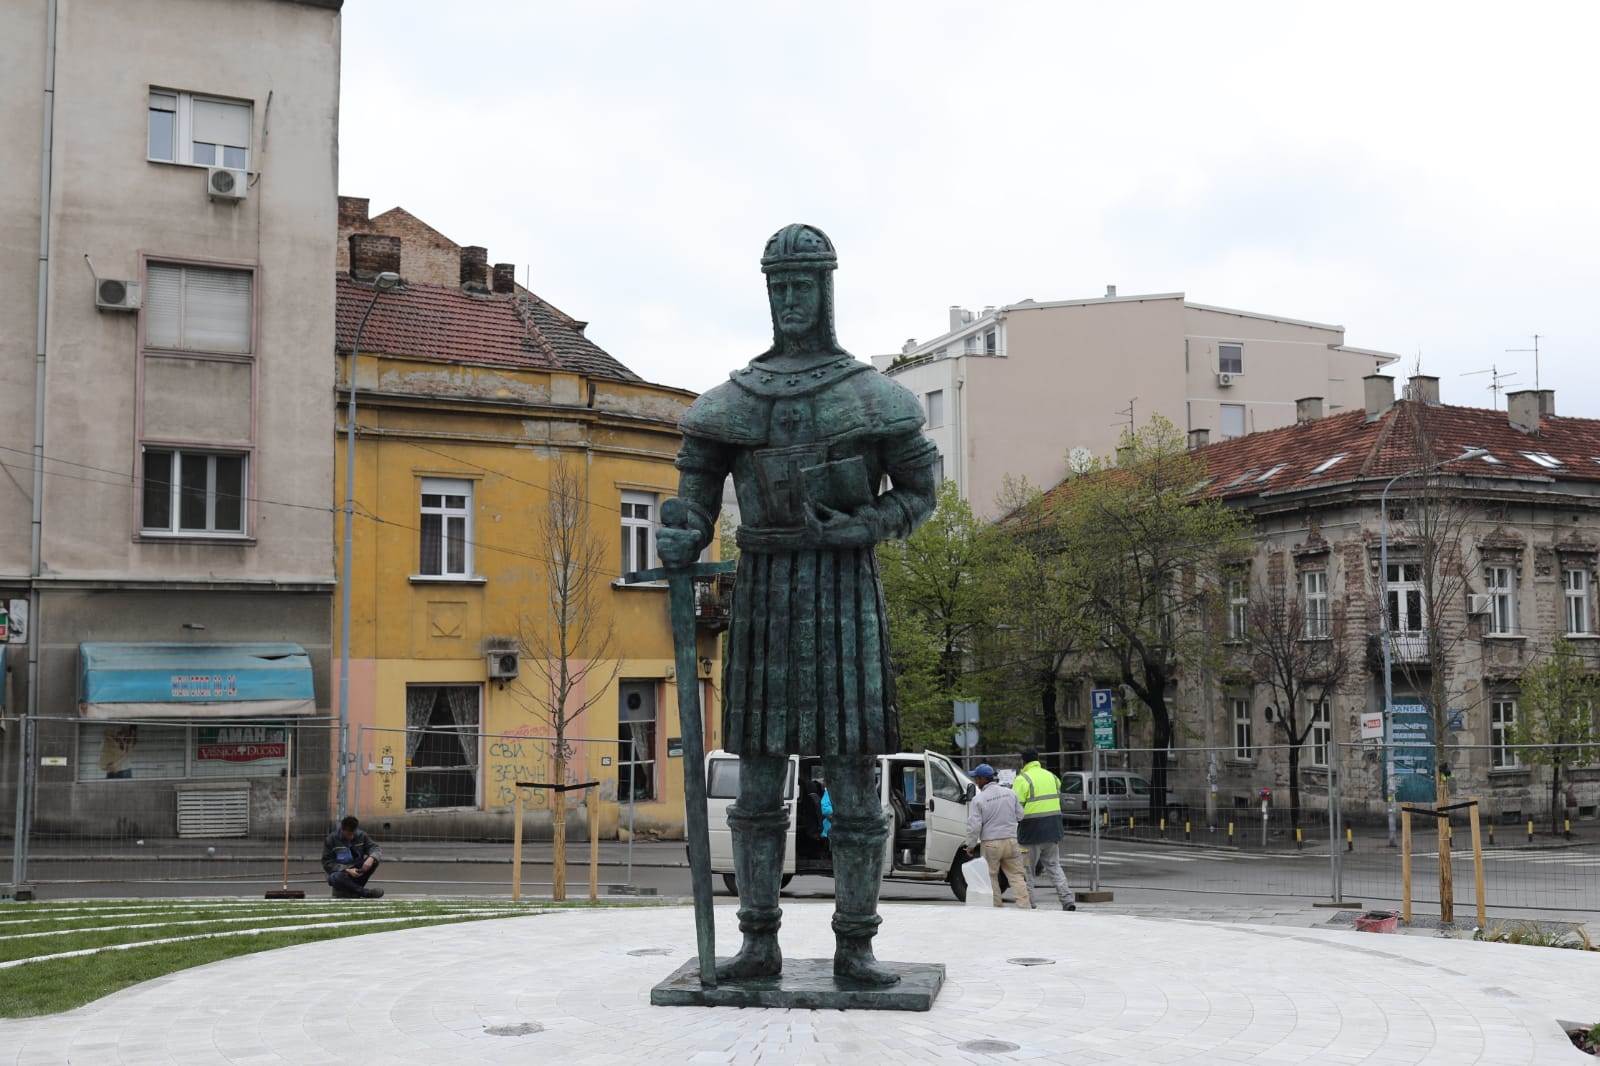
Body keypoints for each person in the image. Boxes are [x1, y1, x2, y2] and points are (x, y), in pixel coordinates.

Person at [657, 223, 939, 985]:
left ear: (826, 290)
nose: (789, 300)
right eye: (778, 286)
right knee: (756, 783)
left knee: (854, 779)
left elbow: (922, 491)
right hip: (767, 595)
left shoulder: (870, 396)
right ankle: (757, 941)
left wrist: (867, 523)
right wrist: (678, 532)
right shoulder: (733, 402)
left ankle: (856, 945)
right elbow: (692, 500)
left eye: (801, 286)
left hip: (847, 596)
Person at [1013, 747, 1076, 911]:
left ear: (1023, 761)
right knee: (1054, 866)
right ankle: (1067, 900)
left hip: (1031, 832)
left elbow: (1016, 808)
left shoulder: (1022, 779)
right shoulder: (1052, 777)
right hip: (1053, 829)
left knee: (1027, 869)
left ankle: (1029, 903)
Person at [964, 763, 1030, 910]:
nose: (976, 781)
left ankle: (996, 907)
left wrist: (970, 845)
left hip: (990, 844)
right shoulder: (1010, 793)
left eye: (977, 778)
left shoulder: (979, 799)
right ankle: (1024, 906)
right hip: (1011, 841)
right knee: (1016, 876)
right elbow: (1020, 815)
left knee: (991, 876)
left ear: (982, 779)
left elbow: (974, 825)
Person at [322, 815, 384, 898]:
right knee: (336, 877)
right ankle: (365, 893)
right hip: (341, 873)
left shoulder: (362, 835)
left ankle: (353, 890)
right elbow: (327, 863)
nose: (351, 837)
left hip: (358, 871)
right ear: (342, 830)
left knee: (374, 861)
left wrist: (371, 858)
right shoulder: (331, 839)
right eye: (348, 834)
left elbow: (375, 848)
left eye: (353, 833)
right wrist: (347, 870)